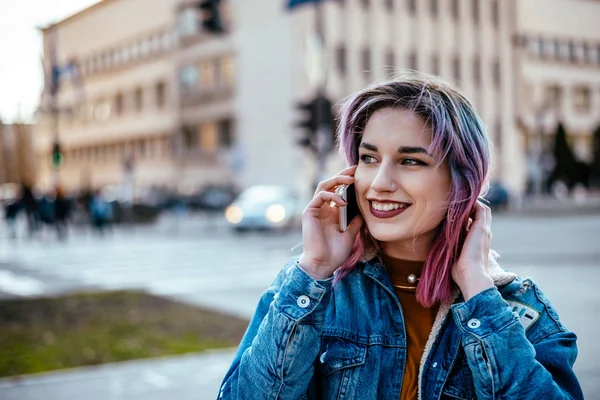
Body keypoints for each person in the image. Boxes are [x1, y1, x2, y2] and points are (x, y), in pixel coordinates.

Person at [218, 76, 583, 399]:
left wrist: (477, 290)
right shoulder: (311, 291)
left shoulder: (519, 310)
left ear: (461, 180)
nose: (379, 184)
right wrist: (314, 268)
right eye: (369, 158)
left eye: (410, 161)